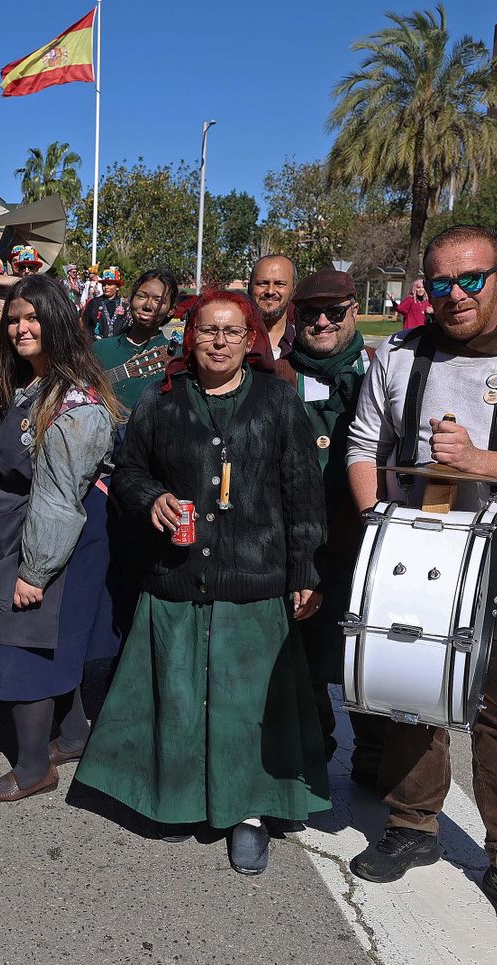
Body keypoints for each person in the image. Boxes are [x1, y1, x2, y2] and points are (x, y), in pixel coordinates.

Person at [346, 225, 497, 942]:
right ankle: (412, 824)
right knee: (410, 699)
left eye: (471, 280)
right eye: (440, 284)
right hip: (417, 552)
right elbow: (366, 444)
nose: (455, 296)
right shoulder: (397, 353)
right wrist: (375, 524)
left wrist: (482, 460)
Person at [74, 289, 330, 875]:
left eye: (231, 332)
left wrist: (305, 569)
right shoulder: (163, 398)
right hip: (179, 576)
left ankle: (248, 814)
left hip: (254, 576)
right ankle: (179, 798)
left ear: (250, 339)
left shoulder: (276, 399)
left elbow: (302, 490)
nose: (219, 342)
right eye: (208, 331)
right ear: (191, 336)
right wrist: (152, 499)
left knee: (245, 707)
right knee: (180, 696)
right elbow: (130, 469)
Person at [0, 276, 121, 802]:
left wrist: (33, 573)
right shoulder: (32, 387)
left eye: (32, 318)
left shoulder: (72, 404)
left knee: (29, 640)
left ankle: (35, 767)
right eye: (13, 319)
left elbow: (59, 497)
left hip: (53, 537)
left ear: (57, 321)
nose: (19, 328)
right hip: (32, 529)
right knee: (59, 639)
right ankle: (74, 734)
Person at [280, 268, 388, 787]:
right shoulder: (277, 375)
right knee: (303, 653)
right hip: (299, 539)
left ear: (353, 311)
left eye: (334, 313)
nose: (321, 322)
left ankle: (372, 756)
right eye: (309, 314)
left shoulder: (381, 373)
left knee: (366, 653)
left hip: (363, 538)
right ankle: (316, 744)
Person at [93, 268, 179, 409]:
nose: (147, 306)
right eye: (142, 296)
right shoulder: (99, 349)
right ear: (131, 300)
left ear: (171, 310)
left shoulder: (177, 358)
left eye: (159, 301)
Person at [249, 254, 298, 360]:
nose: (270, 291)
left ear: (293, 290)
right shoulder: (233, 341)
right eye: (262, 283)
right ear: (250, 288)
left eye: (280, 284)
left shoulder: (304, 344)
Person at [82, 267, 129, 339]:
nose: (106, 287)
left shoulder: (125, 305)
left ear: (117, 287)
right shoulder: (94, 303)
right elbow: (85, 324)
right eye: (104, 284)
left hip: (119, 346)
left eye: (110, 284)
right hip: (97, 345)